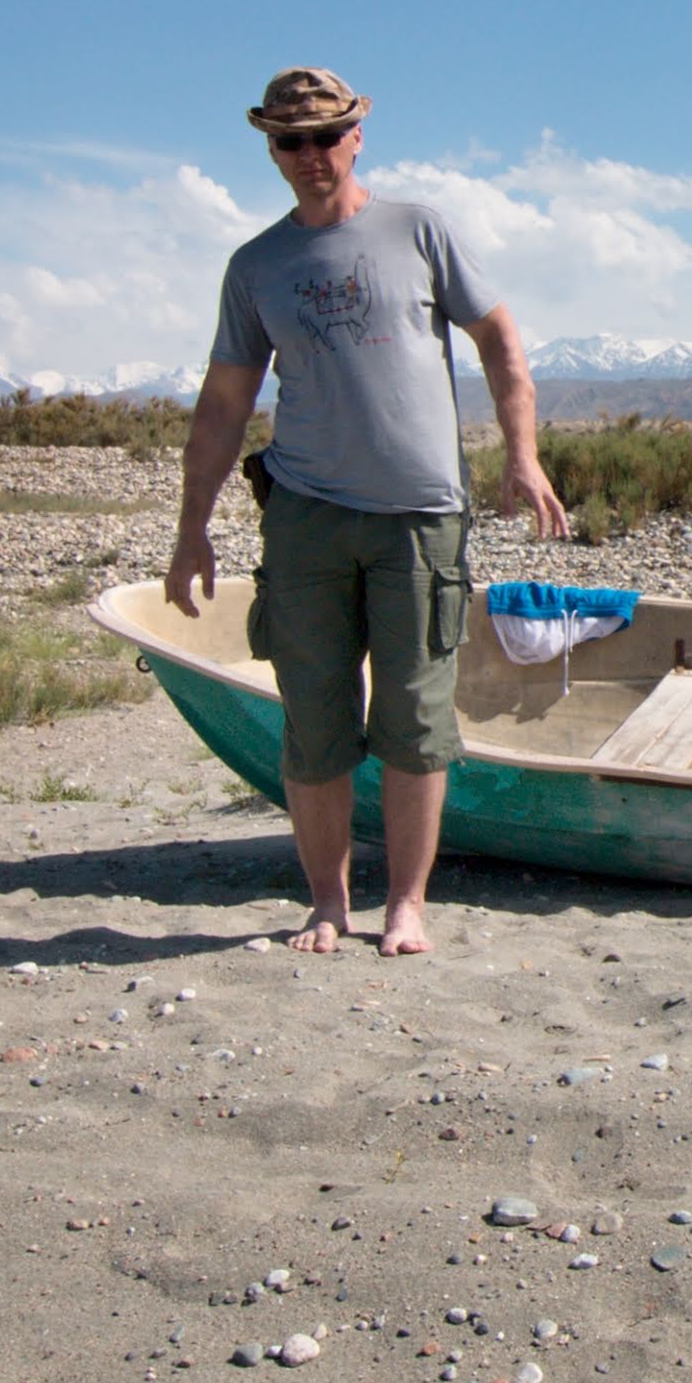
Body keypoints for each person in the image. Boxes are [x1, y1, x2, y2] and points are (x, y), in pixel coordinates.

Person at [165, 66, 570, 956]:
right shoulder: (256, 265)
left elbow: (498, 337)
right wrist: (191, 527)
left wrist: (523, 457)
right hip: (306, 515)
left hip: (420, 515)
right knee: (313, 715)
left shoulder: (418, 230)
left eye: (324, 136)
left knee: (417, 717)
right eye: (288, 140)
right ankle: (326, 901)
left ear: (357, 136)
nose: (309, 154)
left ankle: (408, 905)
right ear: (271, 149)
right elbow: (224, 403)